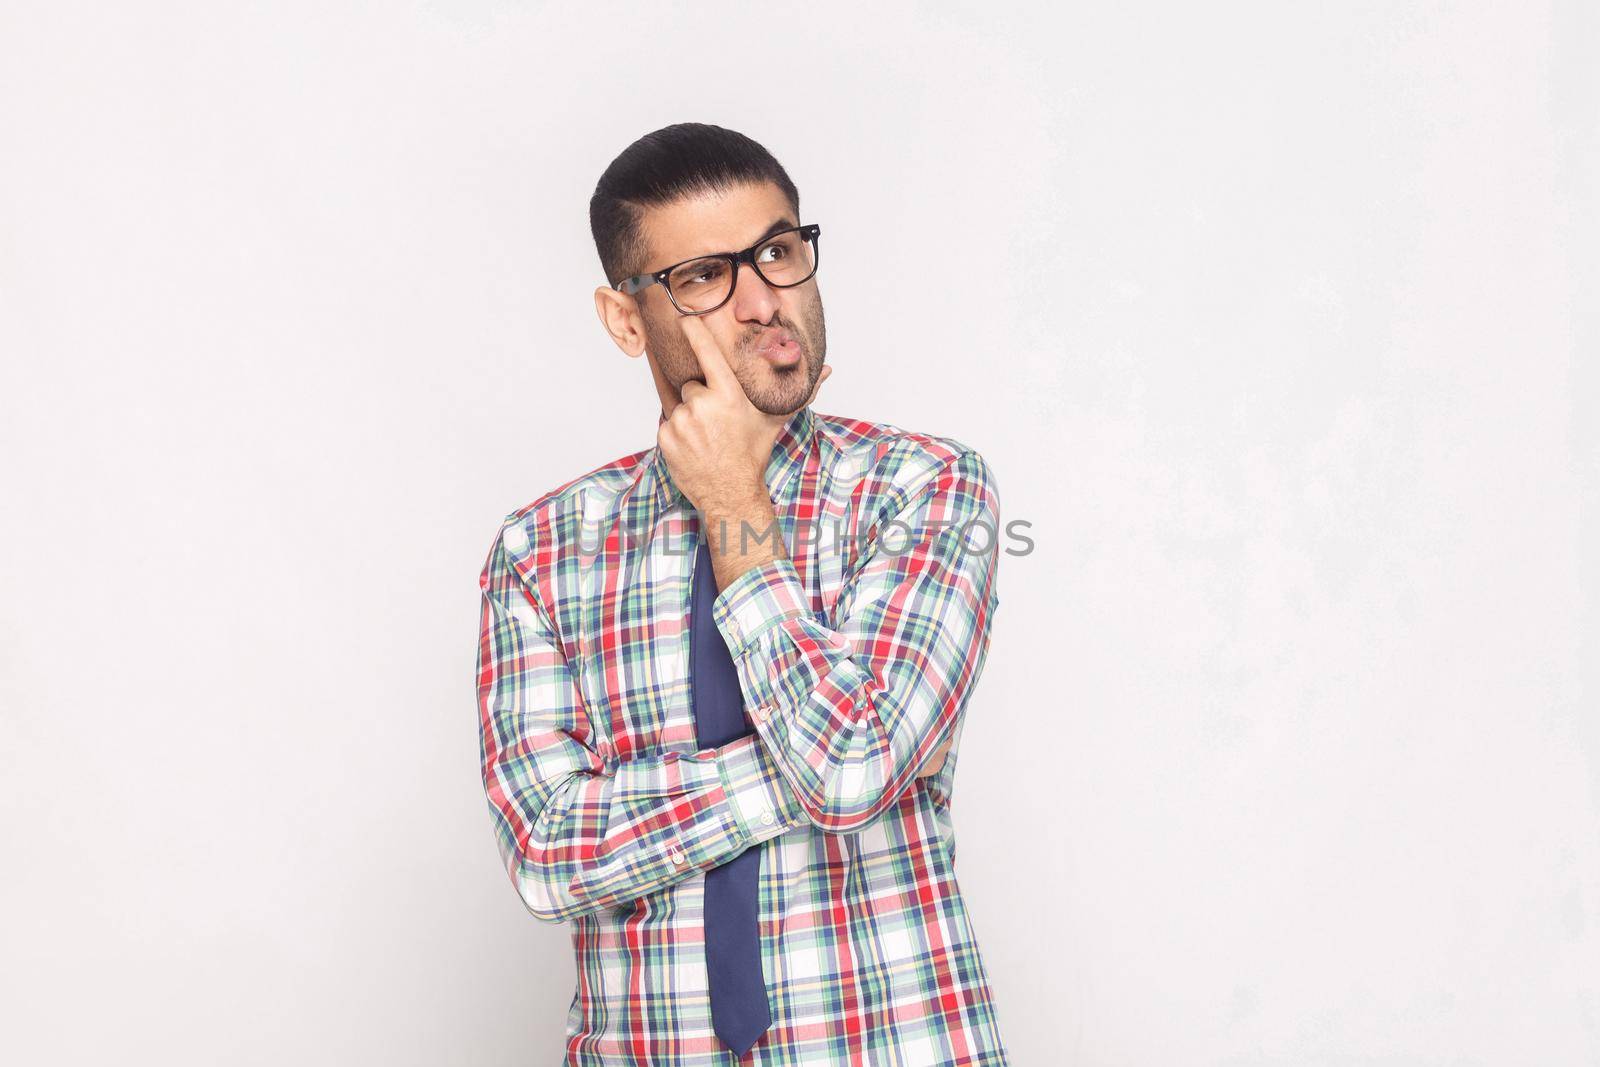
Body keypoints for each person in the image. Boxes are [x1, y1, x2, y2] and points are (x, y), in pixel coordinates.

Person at [475, 122, 1009, 1066]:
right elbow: (549, 857)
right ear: (626, 319)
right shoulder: (542, 548)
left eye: (777, 251)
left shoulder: (925, 490)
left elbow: (848, 765)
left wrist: (733, 506)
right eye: (703, 277)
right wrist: (802, 777)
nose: (764, 301)